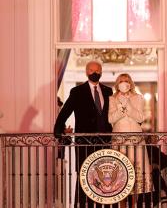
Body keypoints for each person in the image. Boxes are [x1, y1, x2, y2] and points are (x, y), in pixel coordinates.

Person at [53, 61, 113, 208]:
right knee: (84, 177)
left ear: (101, 72)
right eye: (92, 70)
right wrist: (59, 131)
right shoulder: (77, 91)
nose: (95, 72)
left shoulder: (108, 91)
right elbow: (65, 112)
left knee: (104, 177)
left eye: (98, 70)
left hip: (105, 142)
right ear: (87, 72)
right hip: (84, 142)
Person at [108, 73, 153, 207]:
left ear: (130, 83)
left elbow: (140, 118)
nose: (124, 83)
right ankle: (121, 205)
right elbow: (111, 119)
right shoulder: (112, 99)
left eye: (127, 81)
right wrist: (121, 109)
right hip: (119, 140)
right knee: (121, 174)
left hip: (136, 140)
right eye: (121, 81)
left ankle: (134, 205)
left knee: (136, 172)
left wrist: (128, 105)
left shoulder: (138, 98)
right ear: (117, 84)